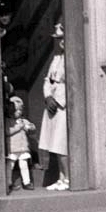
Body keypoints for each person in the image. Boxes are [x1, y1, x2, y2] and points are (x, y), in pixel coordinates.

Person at [39, 23, 69, 191]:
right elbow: (48, 80)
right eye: (58, 39)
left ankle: (69, 176)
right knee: (54, 145)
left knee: (61, 143)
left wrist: (58, 101)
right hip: (52, 107)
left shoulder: (72, 58)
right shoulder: (57, 59)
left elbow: (71, 84)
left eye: (62, 37)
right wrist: (48, 96)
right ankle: (61, 177)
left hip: (62, 107)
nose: (61, 41)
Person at [5, 96, 36, 193]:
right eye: (16, 110)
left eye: (20, 110)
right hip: (13, 148)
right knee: (10, 166)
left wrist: (30, 127)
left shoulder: (24, 121)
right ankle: (8, 183)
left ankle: (27, 182)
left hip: (23, 148)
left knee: (24, 165)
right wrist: (18, 127)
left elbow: (32, 128)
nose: (18, 112)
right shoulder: (8, 121)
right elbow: (7, 131)